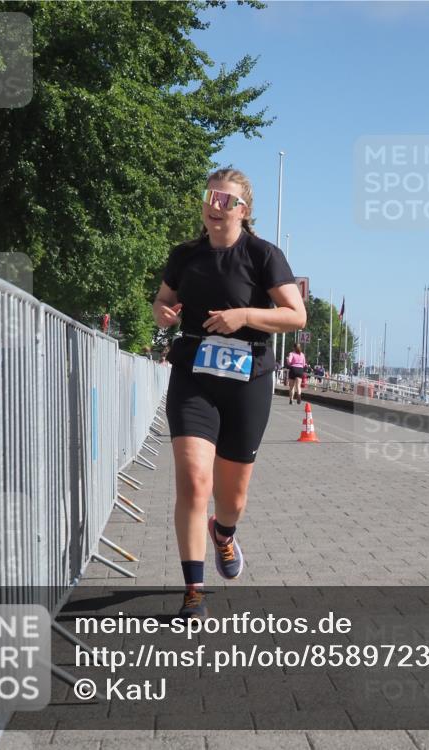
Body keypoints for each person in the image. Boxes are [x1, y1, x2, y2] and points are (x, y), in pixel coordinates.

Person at [153, 167, 305, 620]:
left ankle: (225, 533)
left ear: (244, 209)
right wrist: (163, 313)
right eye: (210, 198)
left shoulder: (263, 255)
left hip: (248, 379)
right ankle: (193, 591)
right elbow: (162, 300)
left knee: (231, 497)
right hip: (194, 374)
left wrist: (244, 316)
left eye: (226, 201)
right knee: (194, 479)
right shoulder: (185, 255)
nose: (216, 207)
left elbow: (295, 316)